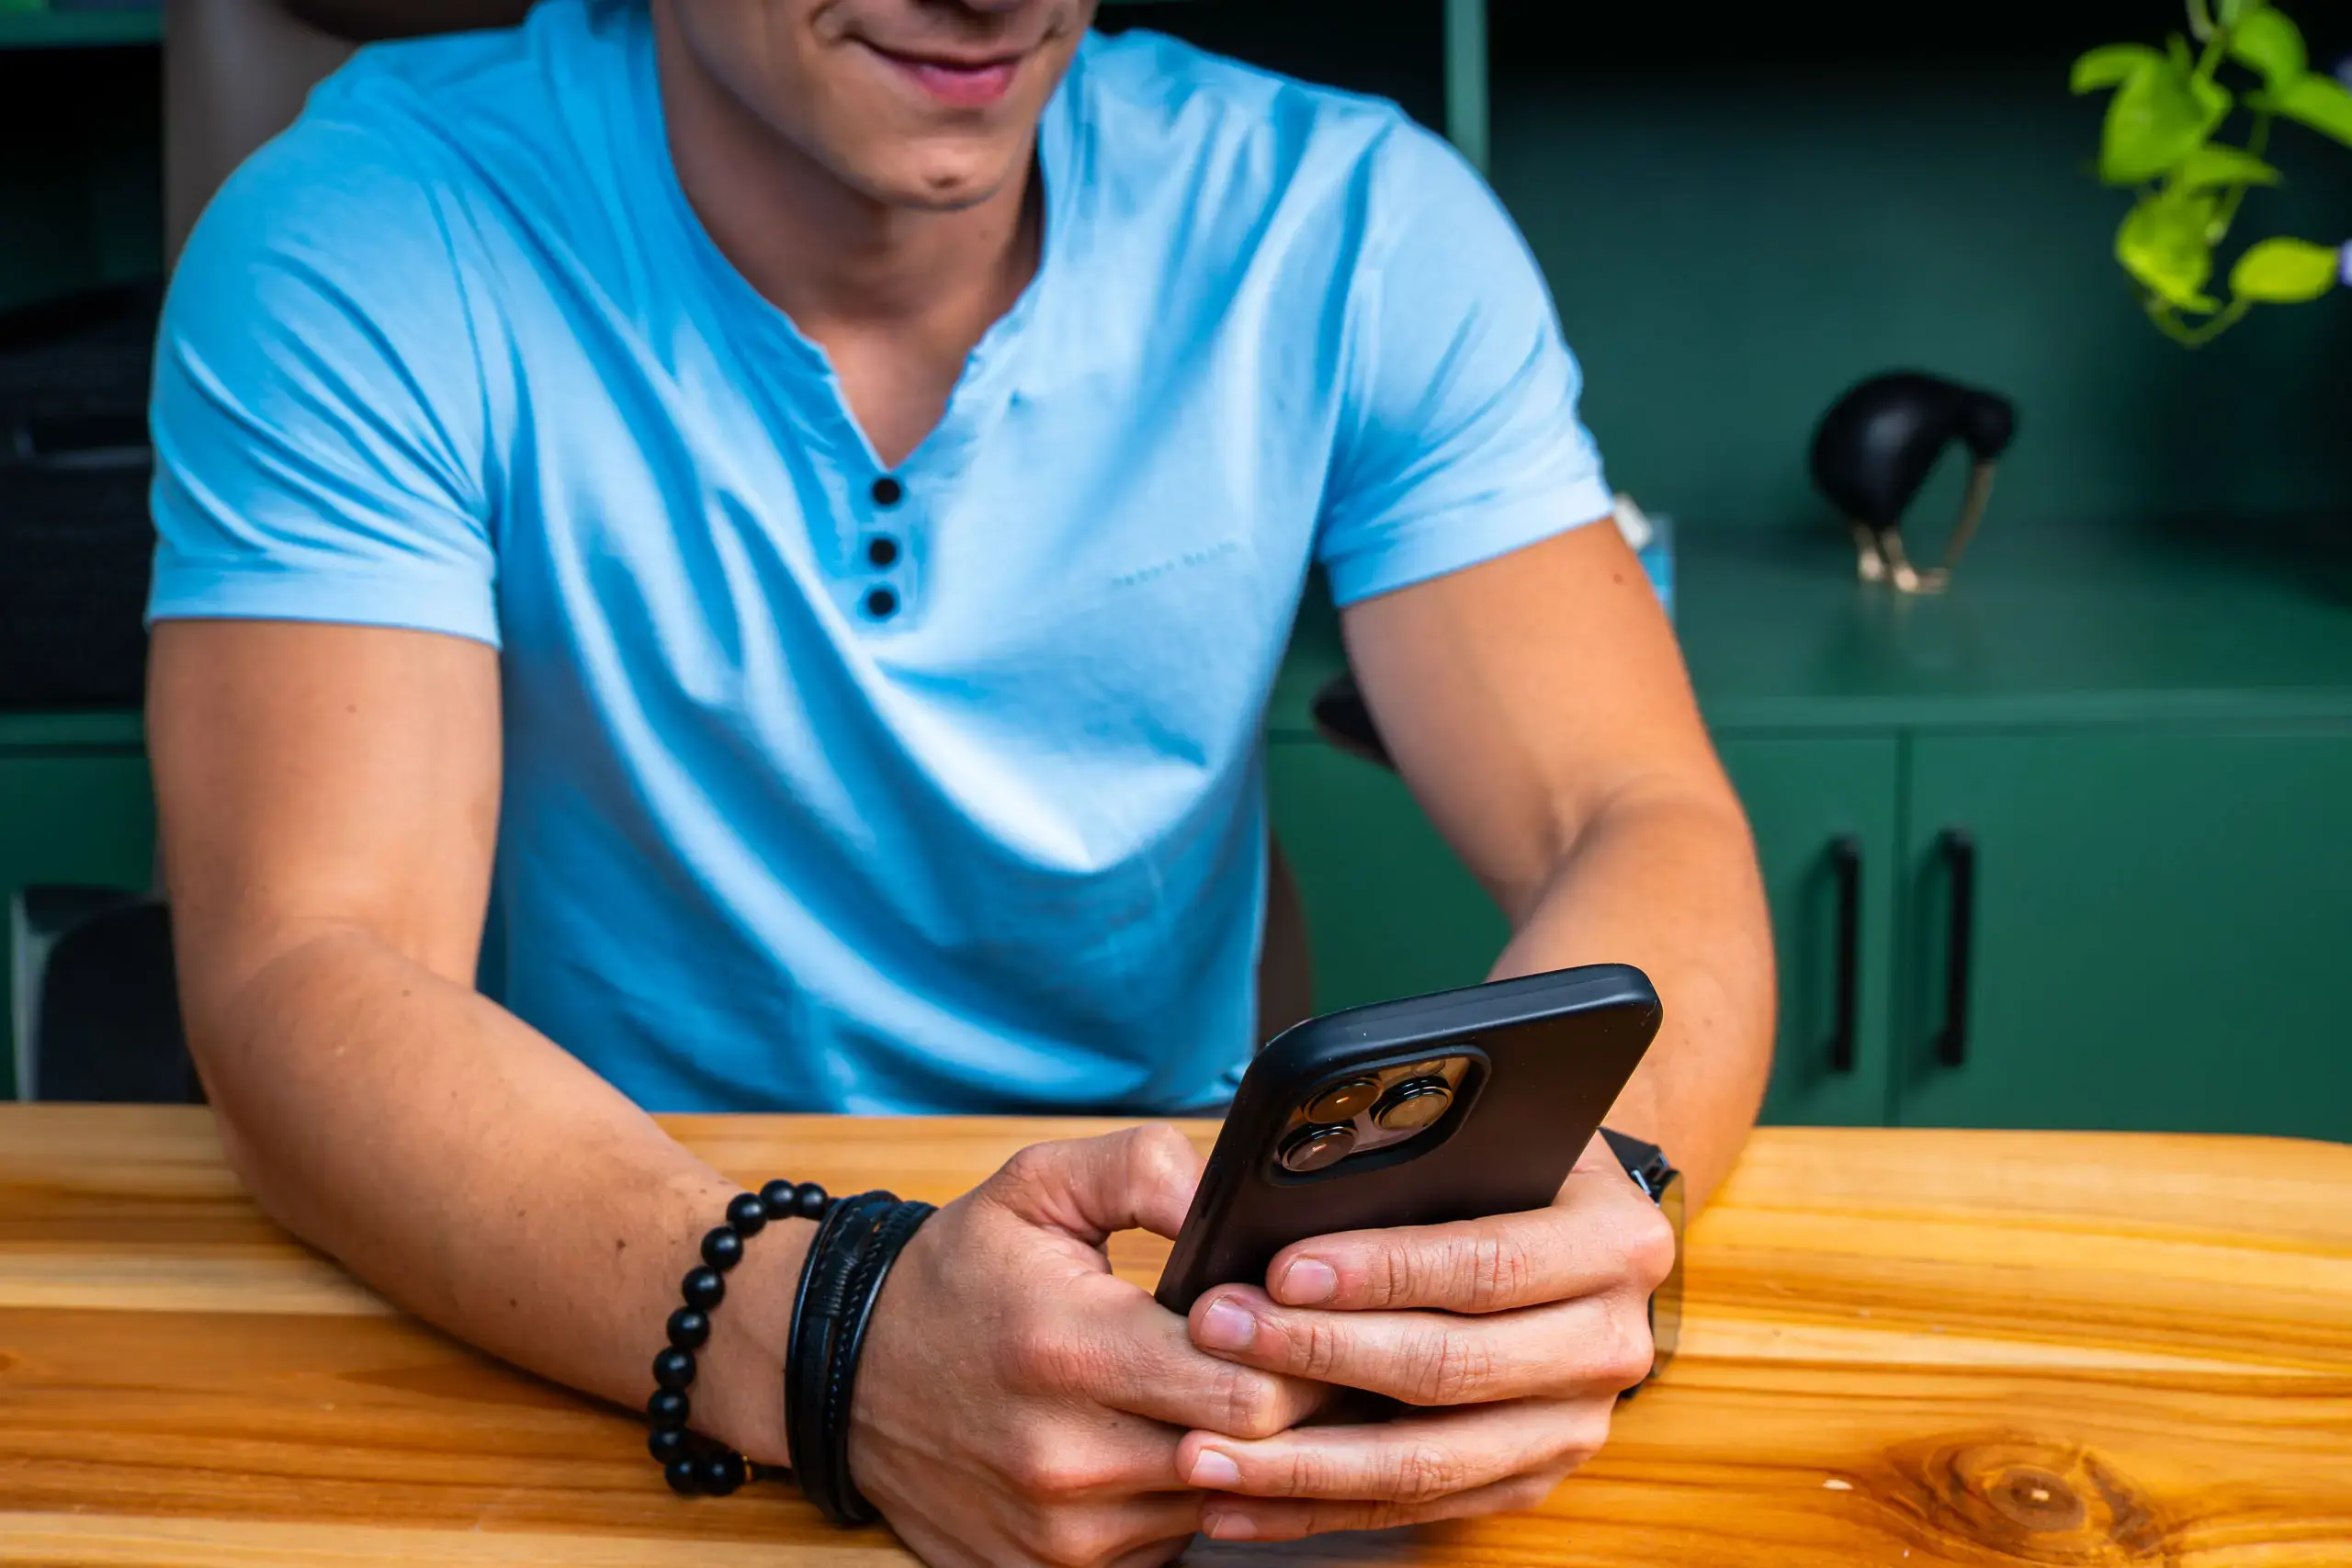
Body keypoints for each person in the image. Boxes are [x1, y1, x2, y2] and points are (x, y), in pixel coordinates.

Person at [144, 0, 1774, 1560]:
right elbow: (309, 960)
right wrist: (834, 1328)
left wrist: (1583, 1215)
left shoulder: (1347, 221)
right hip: (604, 1274)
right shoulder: (363, 229)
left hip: (1184, 1315)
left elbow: (1635, 812)